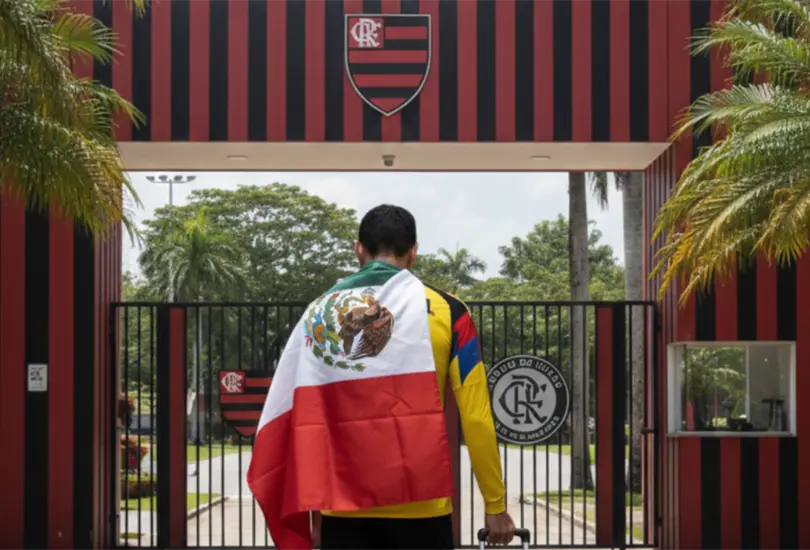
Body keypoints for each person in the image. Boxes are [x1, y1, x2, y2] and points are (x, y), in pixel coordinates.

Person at [314, 204, 515, 550]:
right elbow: (476, 416)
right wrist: (495, 504)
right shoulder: (452, 312)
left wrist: (312, 514)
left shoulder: (324, 311)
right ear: (413, 253)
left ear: (358, 249)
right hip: (423, 505)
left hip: (344, 506)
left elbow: (308, 414)